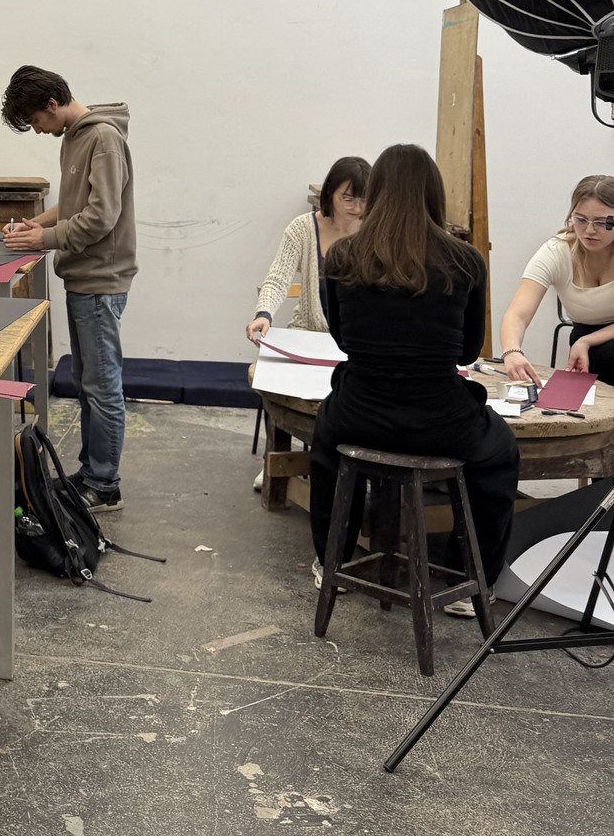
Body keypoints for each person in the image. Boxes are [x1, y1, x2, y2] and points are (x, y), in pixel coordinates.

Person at [307, 144, 519, 612]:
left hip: (360, 412)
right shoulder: (465, 261)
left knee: (325, 447)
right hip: (439, 419)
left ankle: (332, 561)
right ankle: (469, 579)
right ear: (433, 193)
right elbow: (467, 352)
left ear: (377, 191)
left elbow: (342, 340)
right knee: (500, 453)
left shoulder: (343, 257)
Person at [0, 65, 137, 512]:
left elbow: (102, 216)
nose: (39, 130)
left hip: (101, 279)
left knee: (102, 386)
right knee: (87, 382)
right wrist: (33, 225)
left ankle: (106, 484)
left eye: (37, 121)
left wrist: (46, 239)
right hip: (83, 277)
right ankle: (92, 472)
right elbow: (75, 203)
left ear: (52, 104)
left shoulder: (104, 138)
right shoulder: (75, 137)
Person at [499, 175, 614, 385]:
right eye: (580, 219)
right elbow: (517, 314)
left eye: (601, 222)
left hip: (594, 342)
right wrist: (512, 352)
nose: (589, 230)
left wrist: (587, 341)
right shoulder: (556, 251)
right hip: (588, 342)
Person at [244, 156, 370, 345]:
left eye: (364, 200)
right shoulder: (302, 229)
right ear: (330, 192)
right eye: (347, 199)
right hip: (308, 334)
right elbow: (277, 280)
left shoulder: (375, 232)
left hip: (360, 339)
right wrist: (264, 314)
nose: (357, 208)